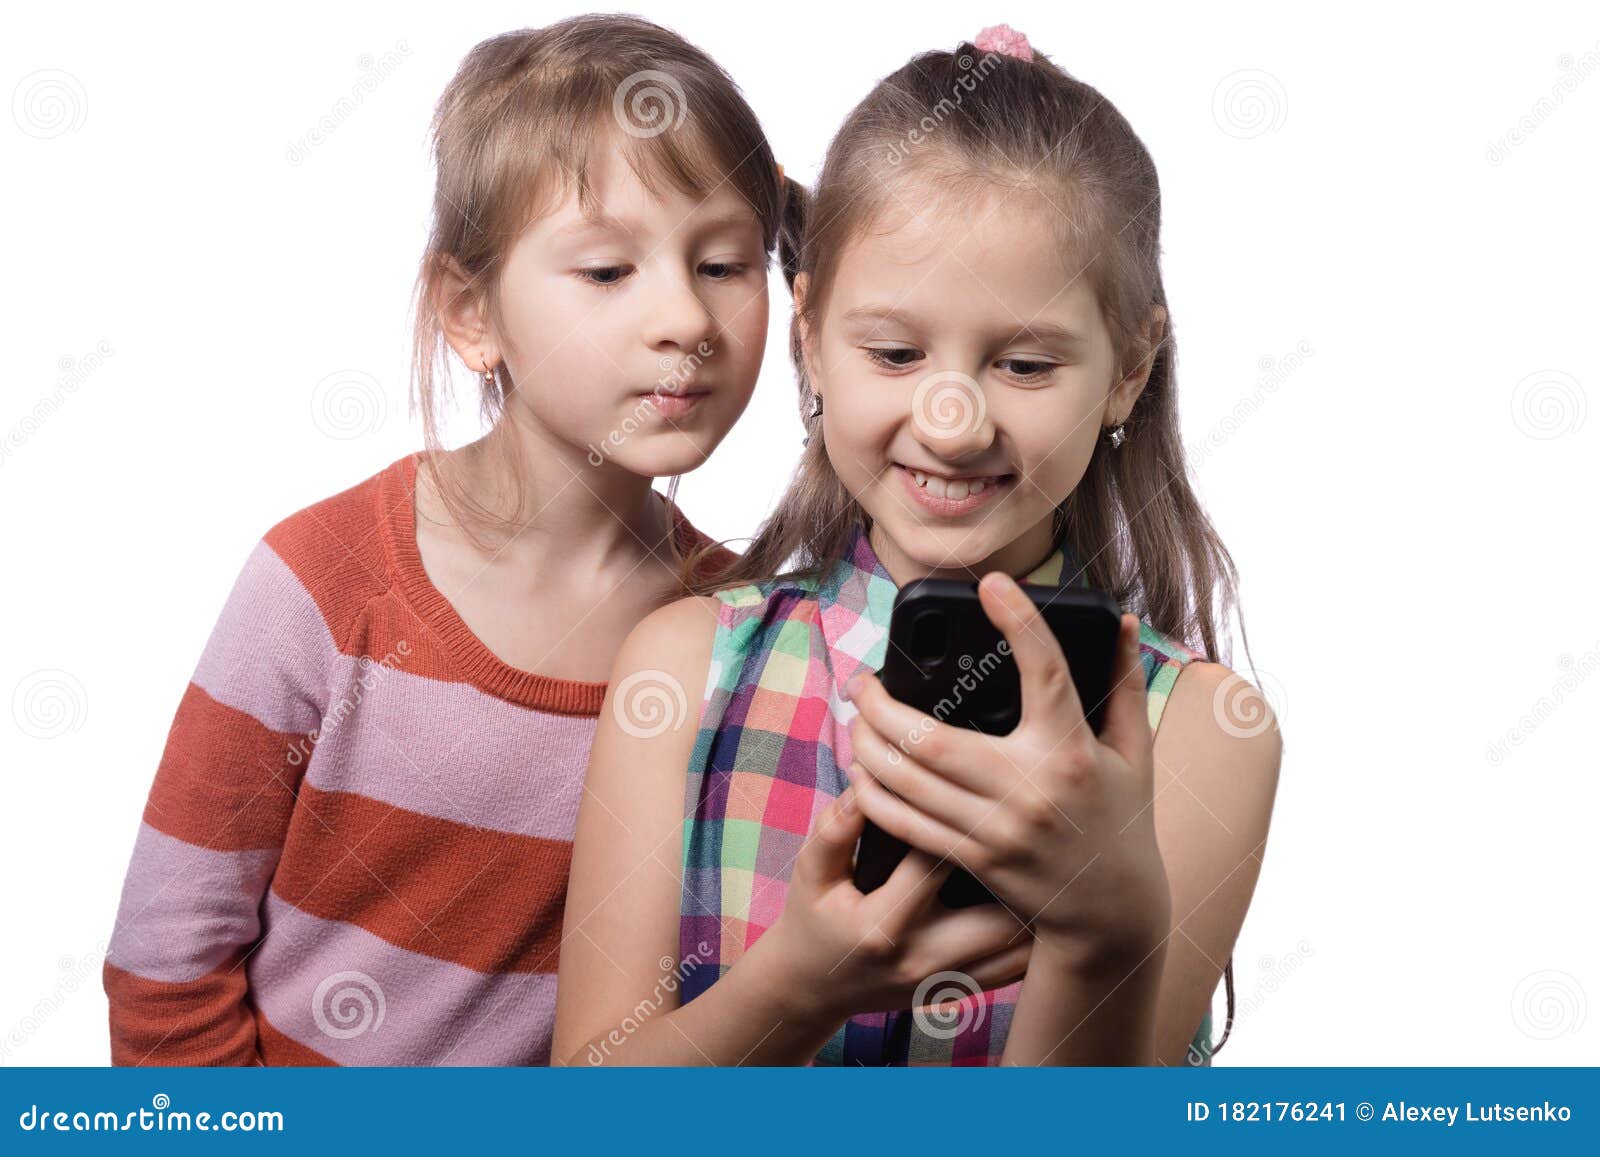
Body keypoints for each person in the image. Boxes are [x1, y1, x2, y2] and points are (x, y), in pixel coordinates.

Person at [556, 24, 1281, 1066]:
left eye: (1025, 365)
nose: (951, 420)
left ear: (1127, 367)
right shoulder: (680, 665)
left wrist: (1101, 930)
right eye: (894, 352)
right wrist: (797, 984)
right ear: (807, 337)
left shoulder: (1206, 734)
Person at [103, 14, 800, 1065]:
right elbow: (166, 970)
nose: (685, 319)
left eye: (724, 263)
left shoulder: (749, 636)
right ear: (471, 312)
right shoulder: (321, 582)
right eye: (608, 270)